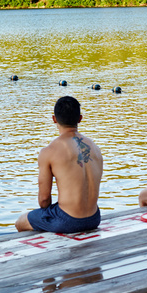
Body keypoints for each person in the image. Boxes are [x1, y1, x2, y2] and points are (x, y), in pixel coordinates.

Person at [15, 96, 103, 233]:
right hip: (94, 218)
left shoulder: (49, 151)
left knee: (21, 221)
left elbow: (44, 200)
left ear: (54, 119)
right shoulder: (95, 148)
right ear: (80, 119)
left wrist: (49, 216)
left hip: (67, 221)